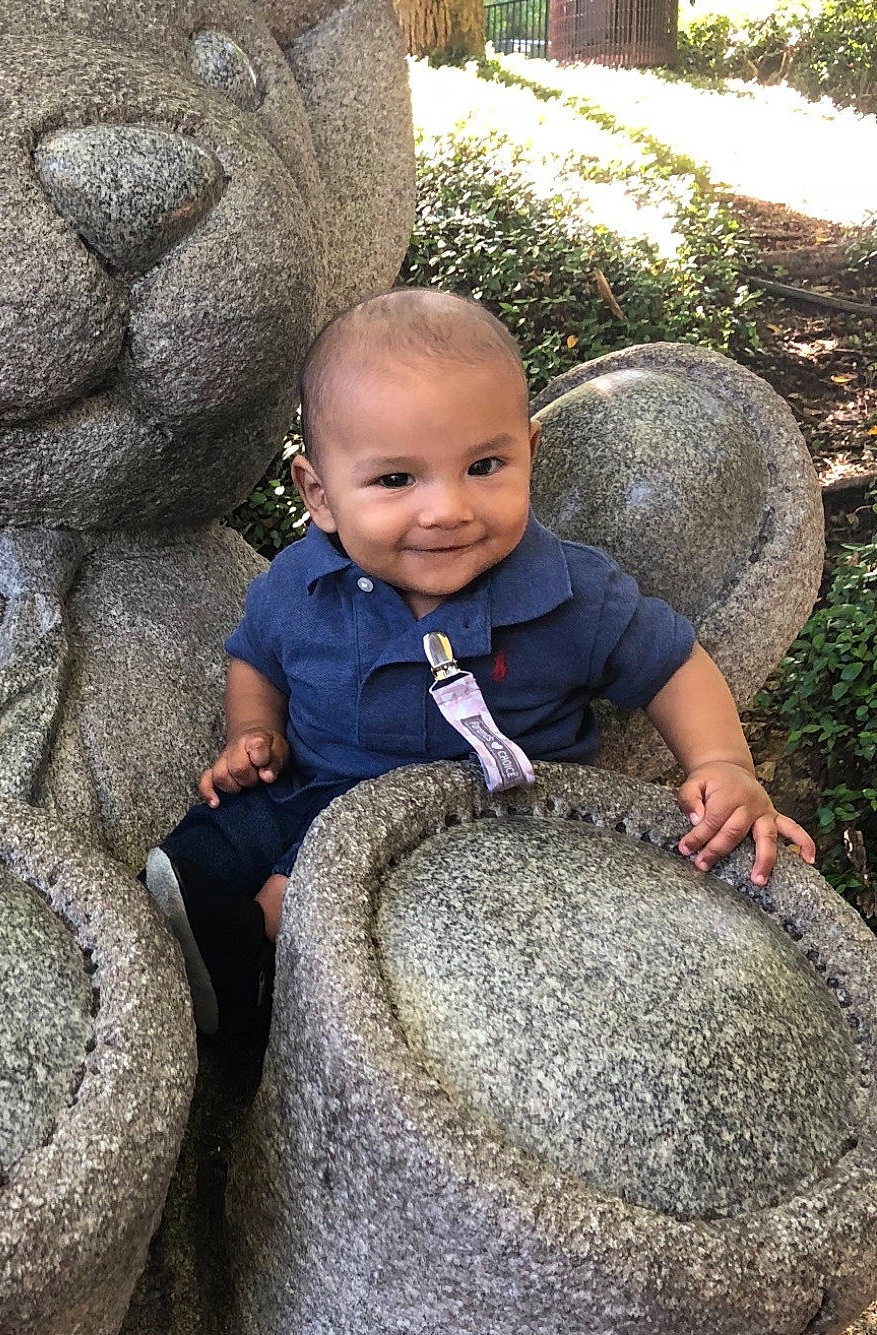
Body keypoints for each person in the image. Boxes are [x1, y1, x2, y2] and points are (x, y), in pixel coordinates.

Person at [144, 287, 816, 1047]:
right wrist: (253, 732)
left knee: (308, 901)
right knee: (202, 846)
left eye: (484, 465)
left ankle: (259, 994)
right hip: (313, 782)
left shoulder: (570, 592)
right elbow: (255, 657)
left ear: (529, 452)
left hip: (480, 825)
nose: (447, 509)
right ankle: (188, 943)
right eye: (396, 480)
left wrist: (722, 760)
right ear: (320, 495)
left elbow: (671, 664)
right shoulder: (300, 584)